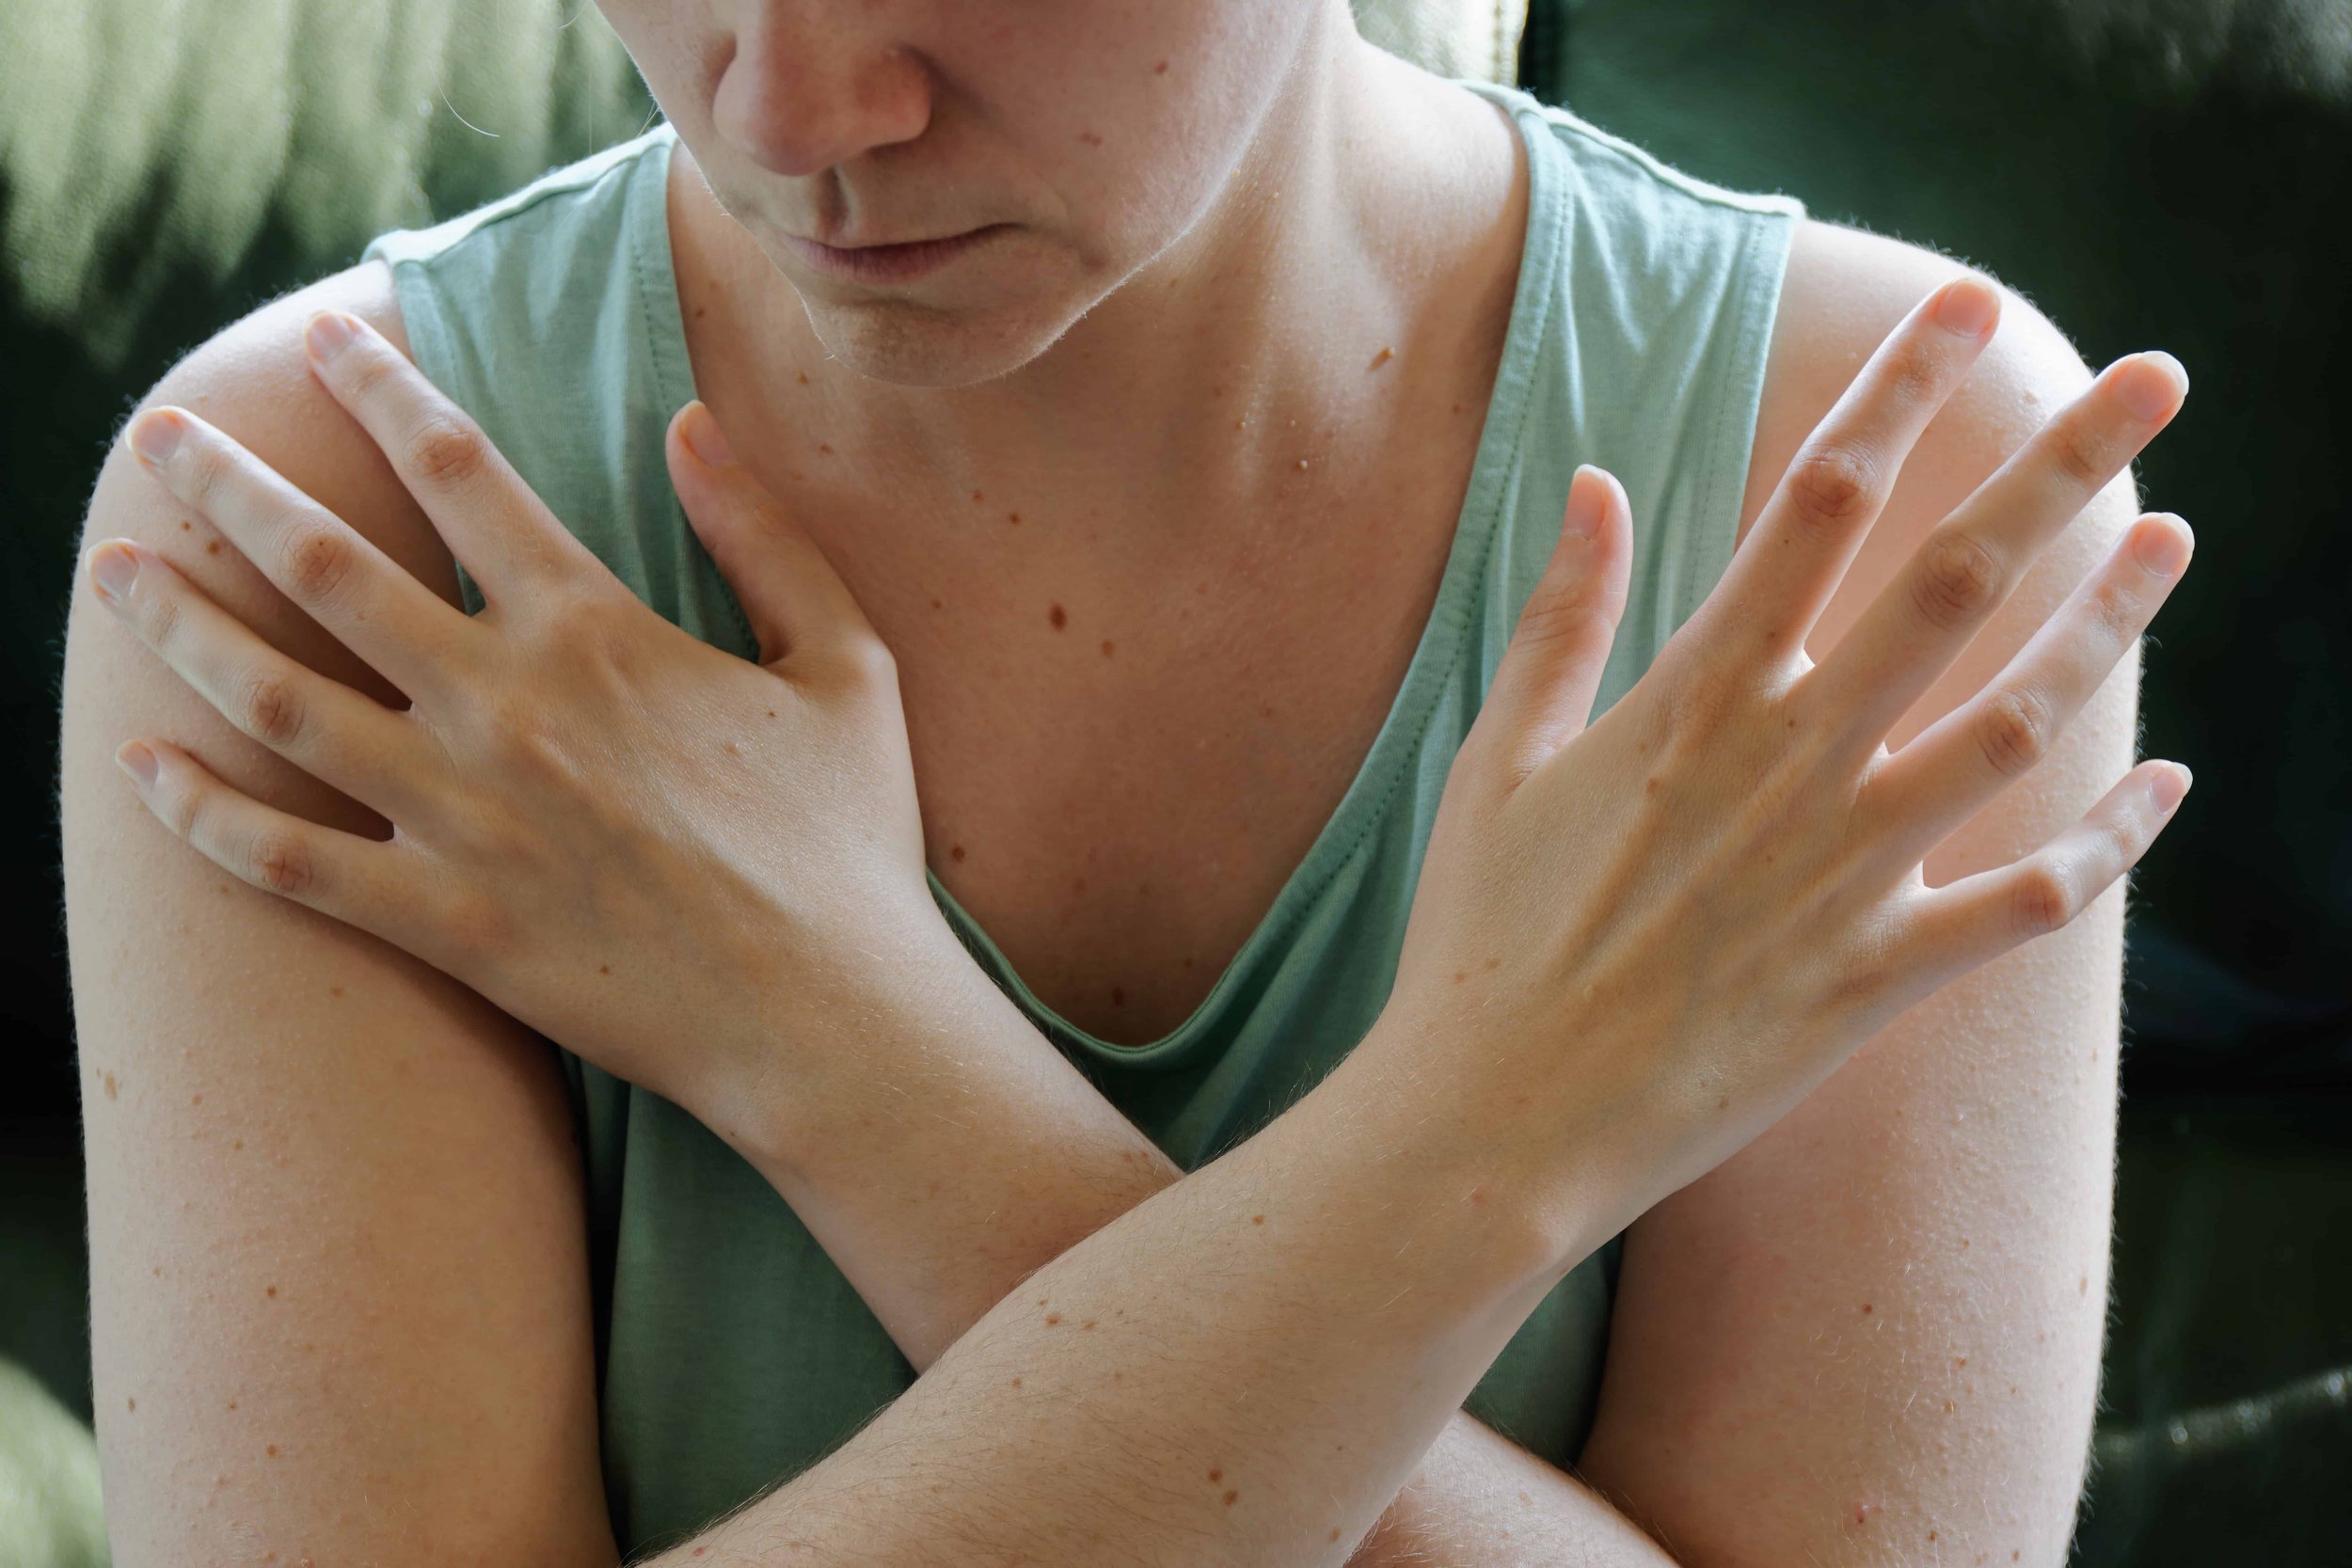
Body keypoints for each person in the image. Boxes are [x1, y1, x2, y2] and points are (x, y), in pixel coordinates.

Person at [59, 3, 2195, 1563]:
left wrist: (828, 1039)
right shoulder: (316, 521)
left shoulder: (1871, 479)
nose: (792, 107)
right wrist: (1497, 1131)